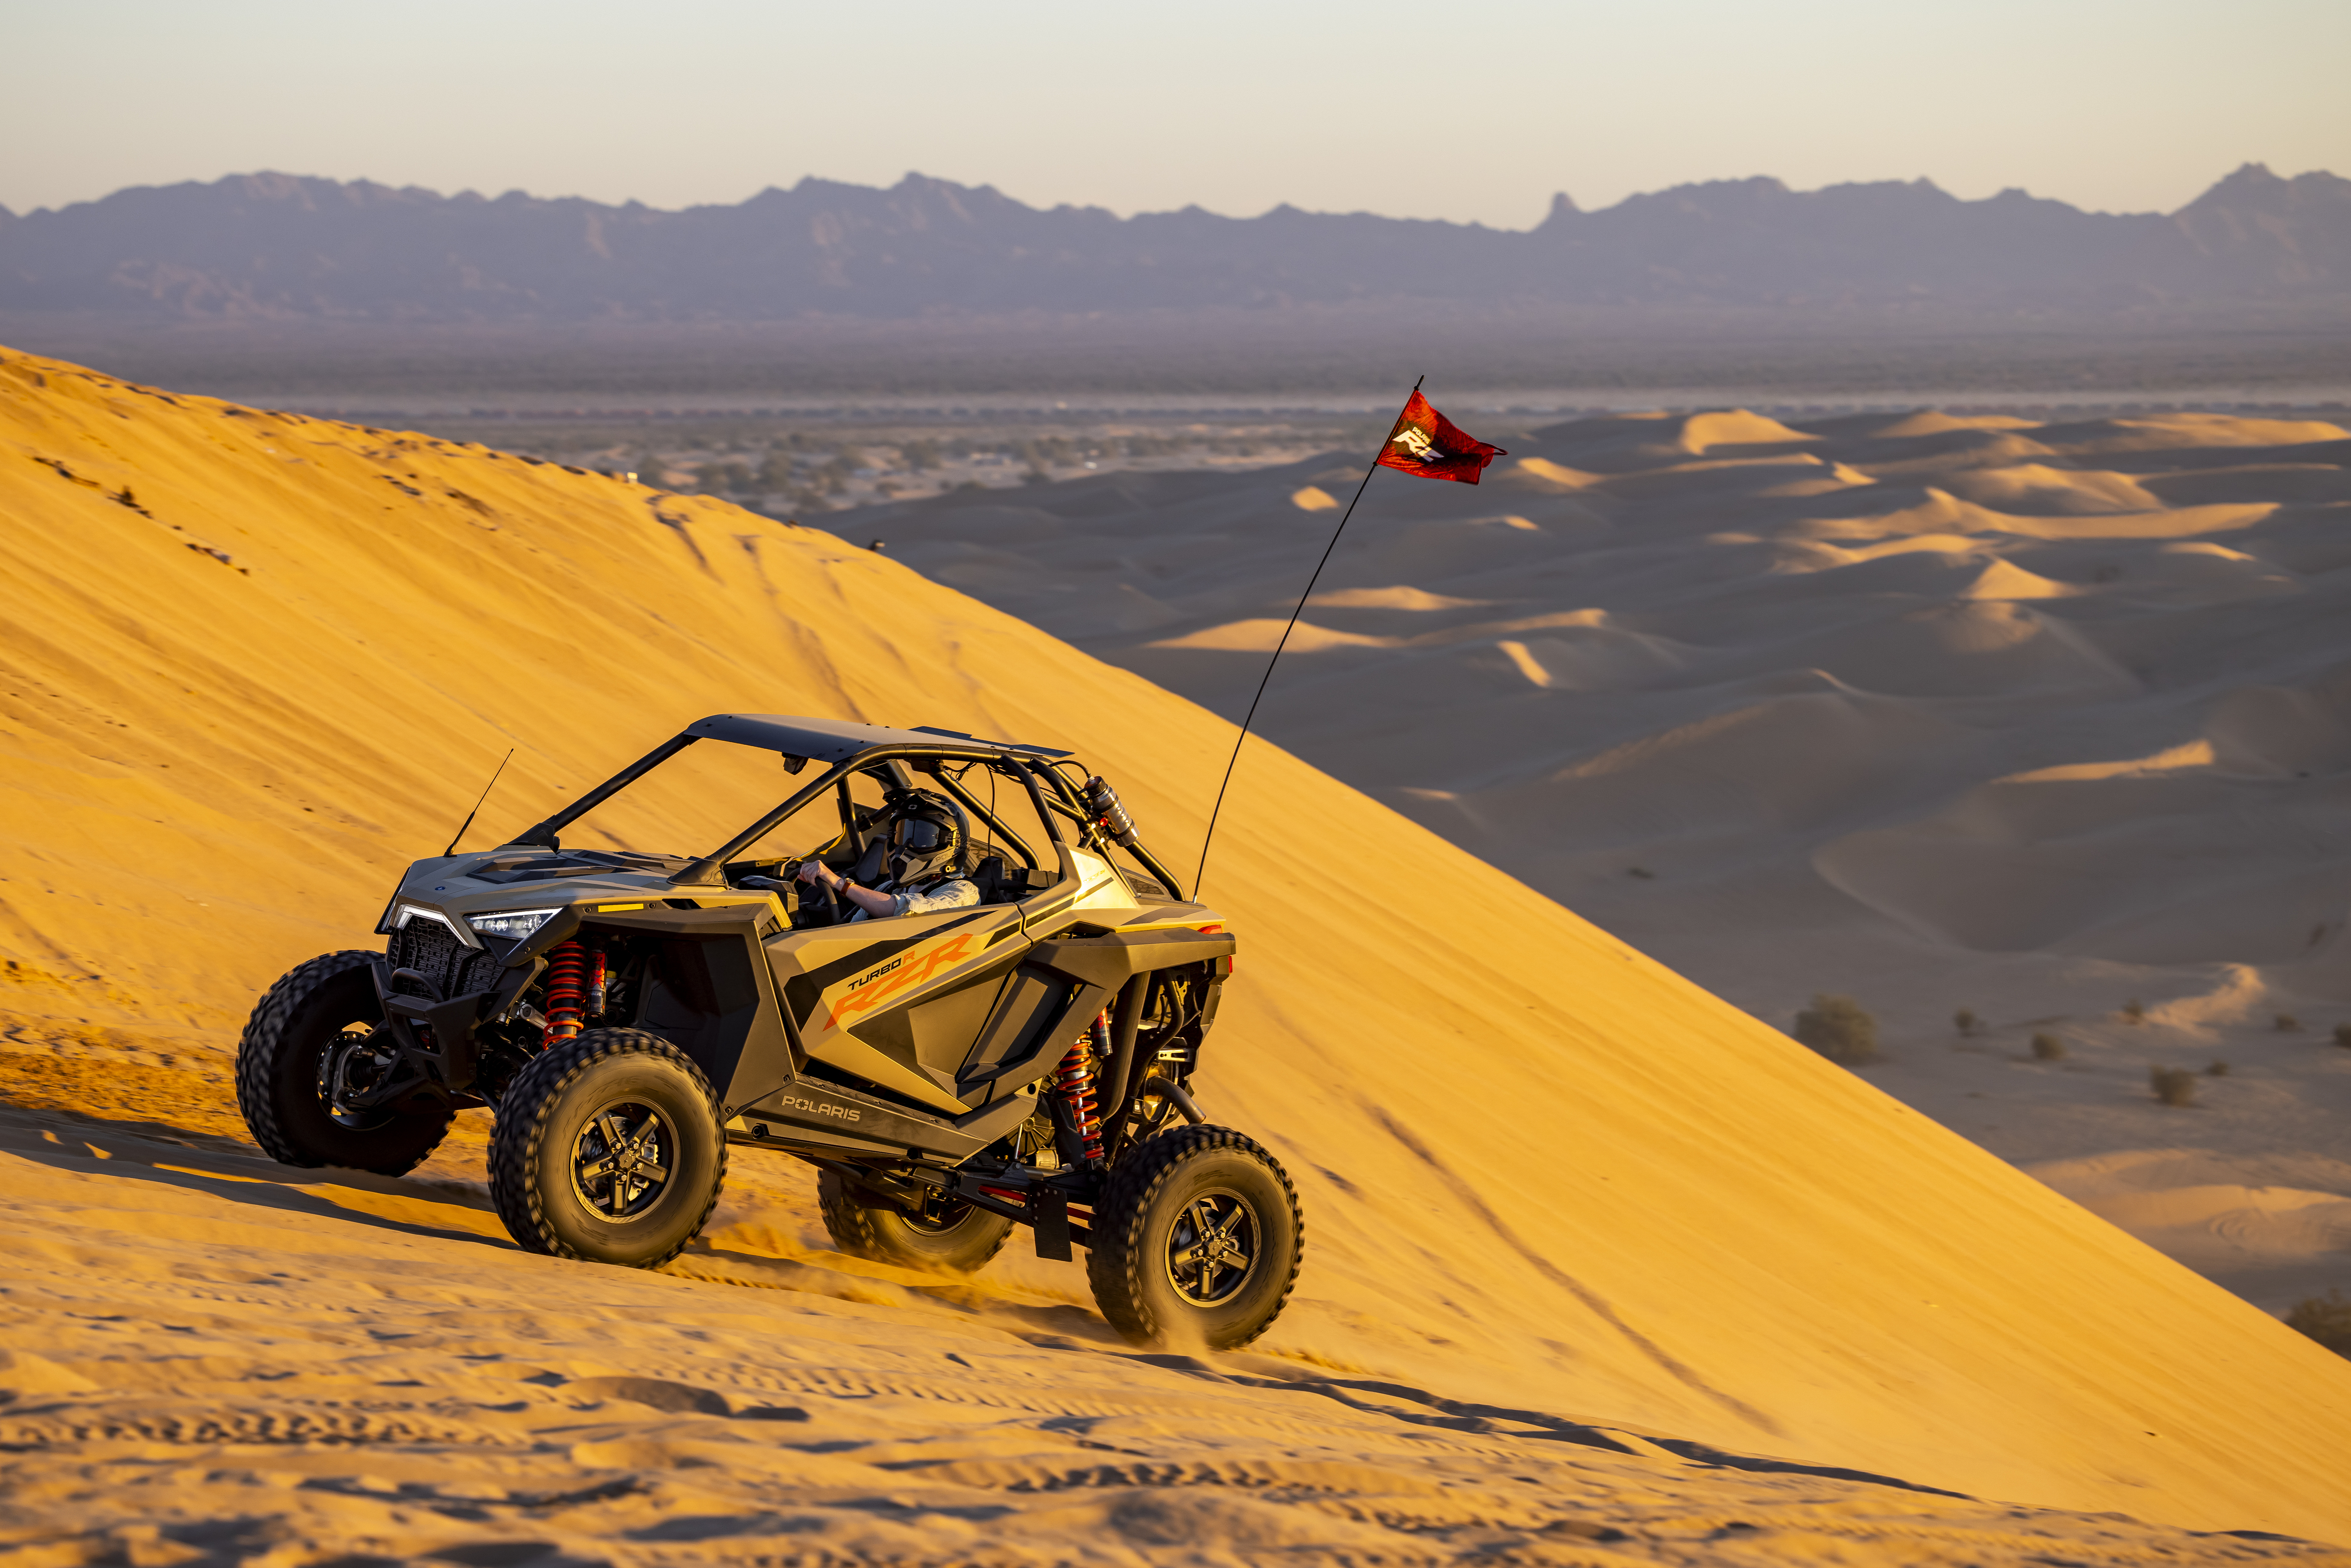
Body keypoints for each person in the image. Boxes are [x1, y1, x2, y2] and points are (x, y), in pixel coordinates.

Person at [796, 796, 980, 921]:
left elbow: (905, 910)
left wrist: (840, 883)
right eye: (901, 835)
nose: (905, 846)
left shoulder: (964, 892)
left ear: (951, 842)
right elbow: (853, 927)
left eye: (921, 838)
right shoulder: (890, 887)